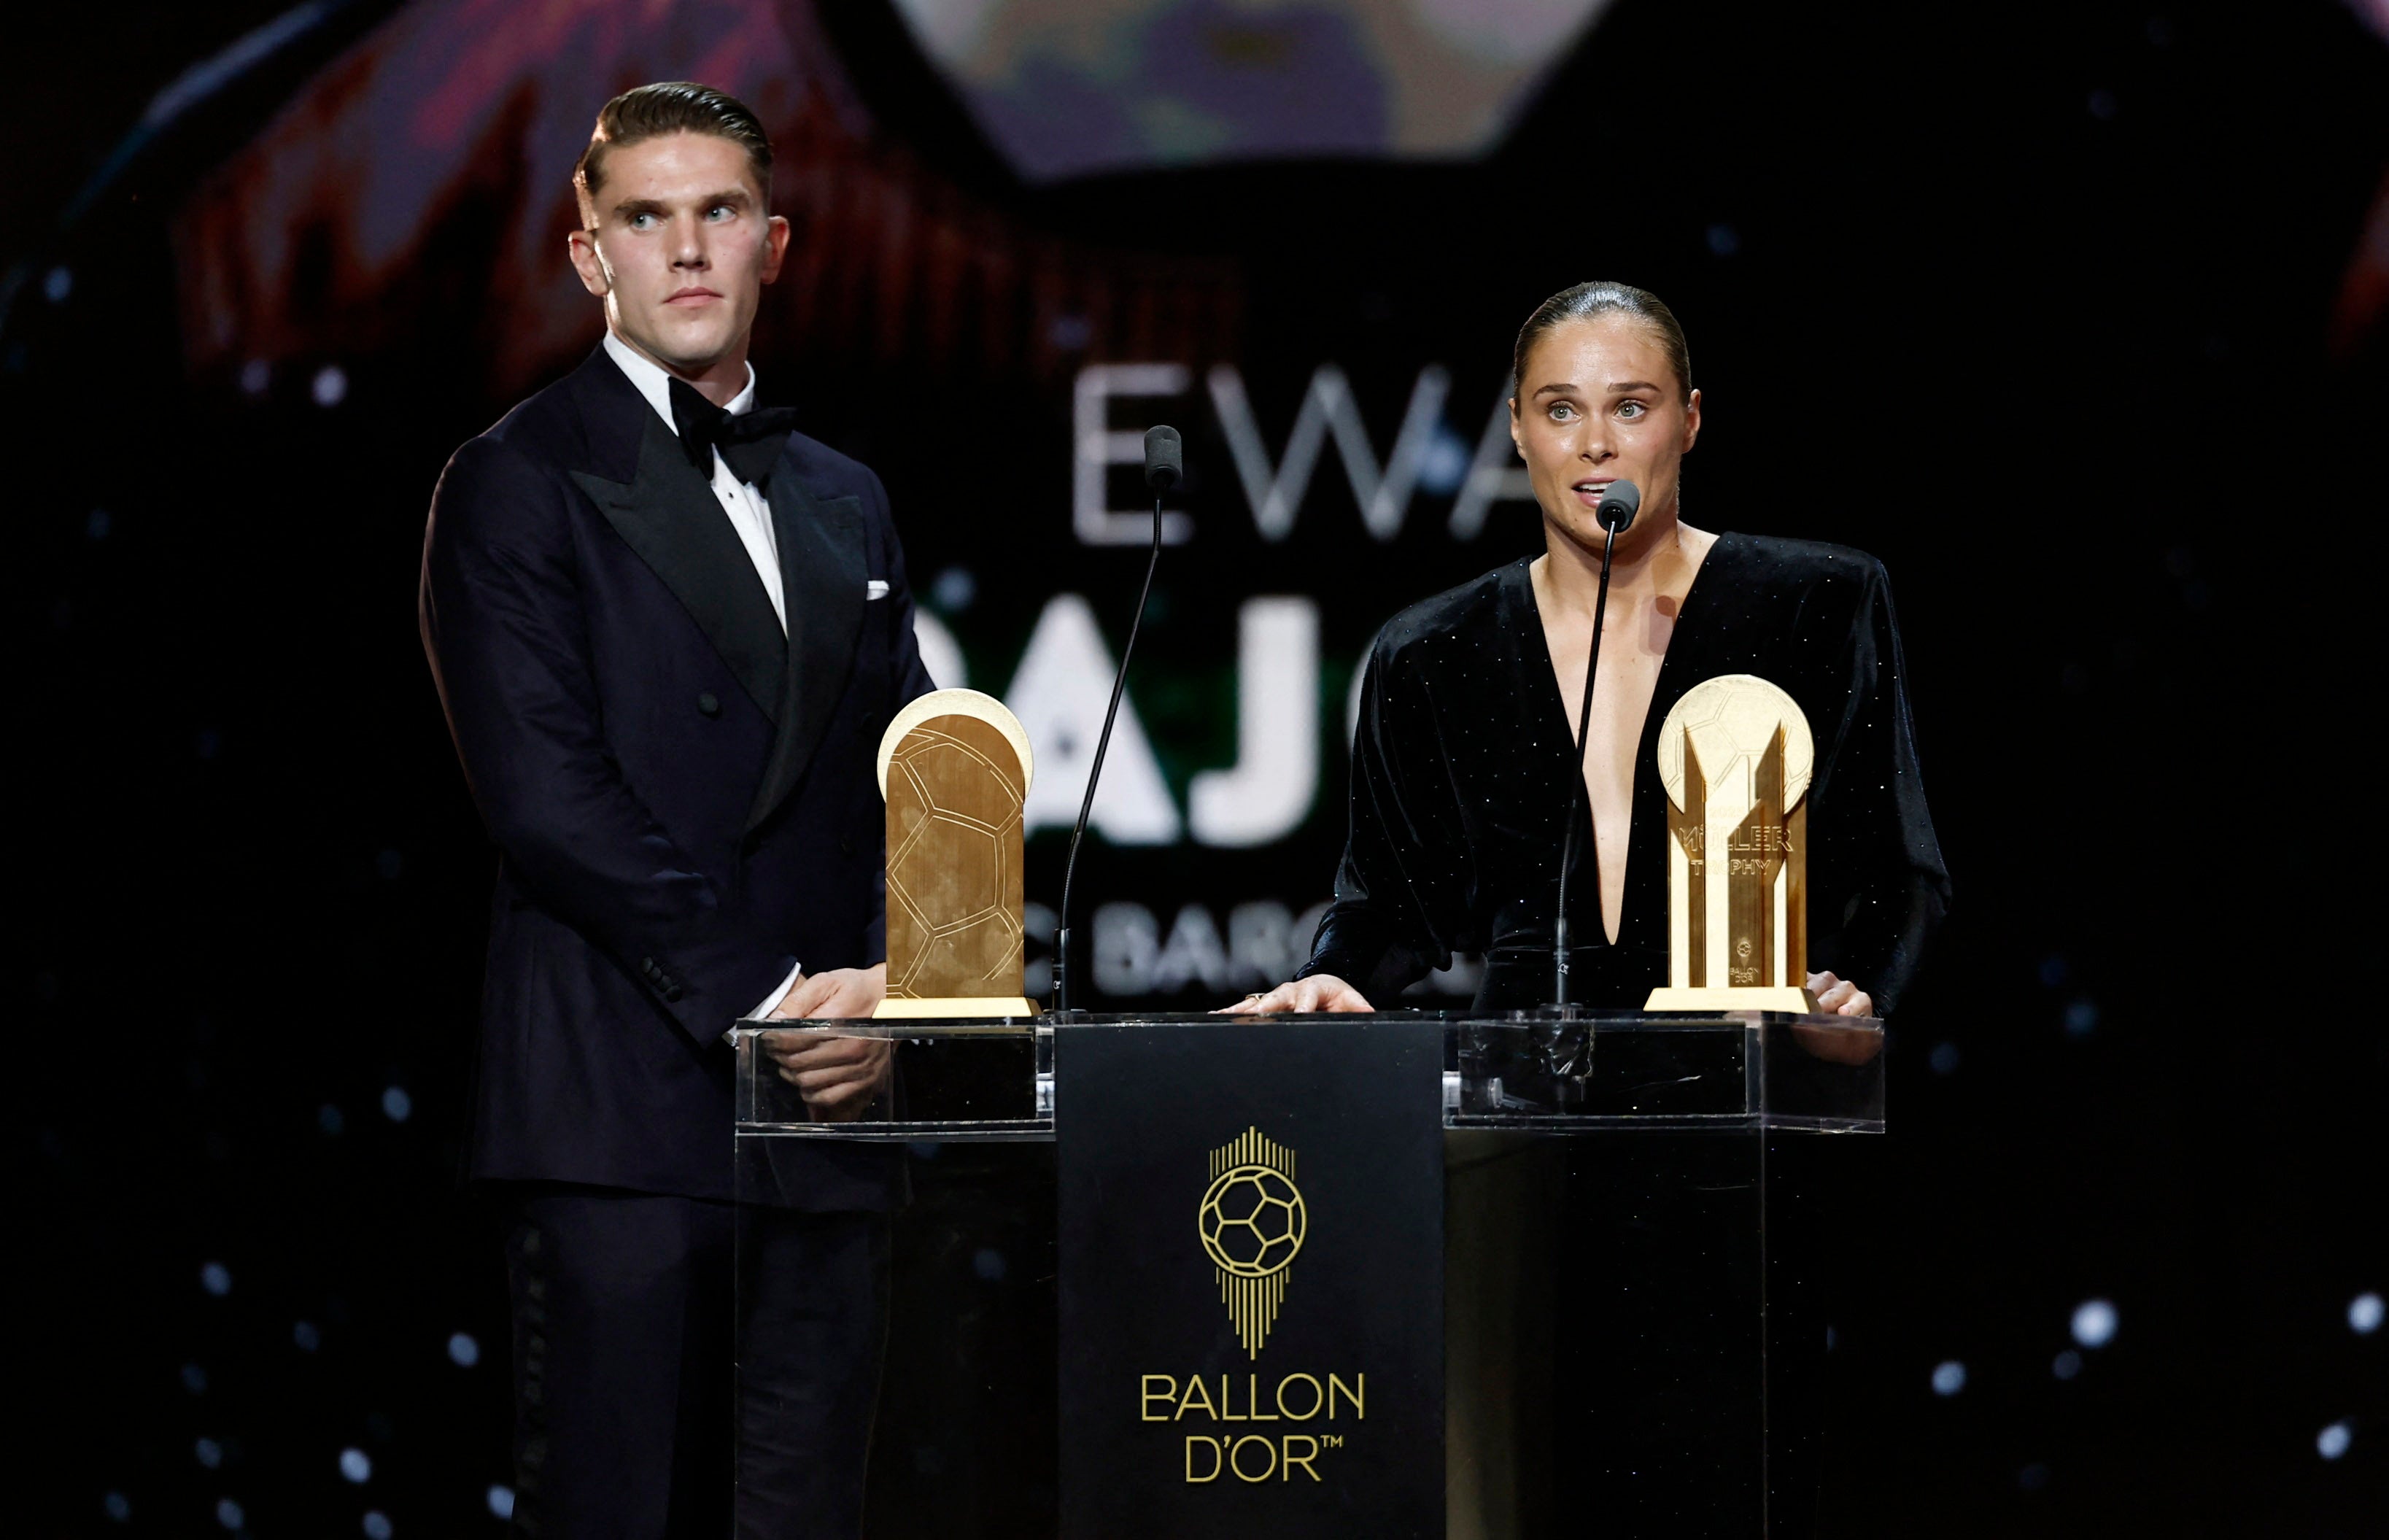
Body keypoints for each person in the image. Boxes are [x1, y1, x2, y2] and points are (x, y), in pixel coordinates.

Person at [419, 82, 932, 1537]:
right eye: (644, 218)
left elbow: (921, 773)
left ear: (773, 242)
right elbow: (548, 800)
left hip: (831, 1097)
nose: (685, 249)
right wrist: (772, 999)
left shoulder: (845, 495)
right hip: (626, 1103)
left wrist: (912, 980)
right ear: (590, 257)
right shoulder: (515, 482)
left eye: (716, 214)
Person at [1229, 281, 1949, 1018]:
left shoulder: (1815, 601)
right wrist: (1333, 974)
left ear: (1689, 420)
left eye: (1630, 407)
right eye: (1560, 409)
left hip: (1750, 1072)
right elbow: (1390, 901)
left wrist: (1857, 995)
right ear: (1516, 427)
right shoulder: (1431, 649)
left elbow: (1899, 873)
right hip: (1514, 1093)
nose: (1593, 442)